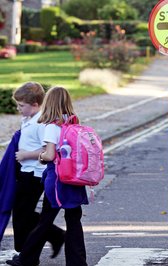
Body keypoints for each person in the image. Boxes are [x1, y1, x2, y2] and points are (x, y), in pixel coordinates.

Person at [7, 87, 89, 266]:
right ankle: (78, 262)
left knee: (44, 221)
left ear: (48, 103)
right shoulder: (73, 122)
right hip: (75, 179)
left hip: (58, 179)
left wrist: (40, 157)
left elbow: (50, 155)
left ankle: (27, 259)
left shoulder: (52, 126)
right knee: (74, 220)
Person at [10, 82, 66, 256]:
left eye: (21, 106)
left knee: (22, 212)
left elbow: (47, 149)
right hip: (25, 171)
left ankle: (35, 245)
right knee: (21, 211)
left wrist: (26, 155)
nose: (19, 109)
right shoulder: (29, 119)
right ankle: (49, 238)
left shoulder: (40, 122)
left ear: (35, 104)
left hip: (35, 173)